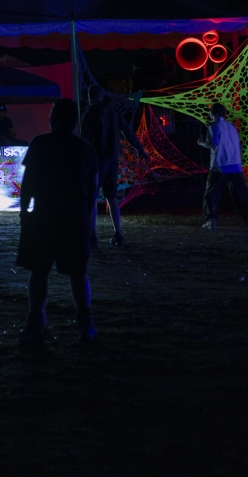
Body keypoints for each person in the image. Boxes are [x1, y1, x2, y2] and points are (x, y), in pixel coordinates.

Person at [16, 98, 98, 343]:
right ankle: (85, 325)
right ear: (75, 122)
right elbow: (92, 191)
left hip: (43, 217)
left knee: (39, 272)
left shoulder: (40, 143)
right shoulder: (85, 149)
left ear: (53, 119)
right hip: (75, 219)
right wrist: (89, 224)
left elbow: (28, 183)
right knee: (78, 274)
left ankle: (36, 322)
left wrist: (24, 212)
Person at [81, 85, 150, 247]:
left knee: (92, 198)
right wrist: (140, 150)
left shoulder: (90, 114)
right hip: (112, 160)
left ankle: (92, 236)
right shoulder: (113, 112)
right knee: (111, 197)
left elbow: (85, 141)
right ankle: (118, 234)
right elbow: (128, 132)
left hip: (97, 161)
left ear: (90, 98)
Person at [197, 103, 248, 231]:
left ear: (213, 114)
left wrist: (201, 142)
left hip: (219, 165)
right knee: (242, 194)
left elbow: (213, 145)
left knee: (211, 194)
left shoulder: (213, 126)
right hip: (235, 165)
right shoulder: (232, 127)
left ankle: (211, 221)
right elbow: (239, 146)